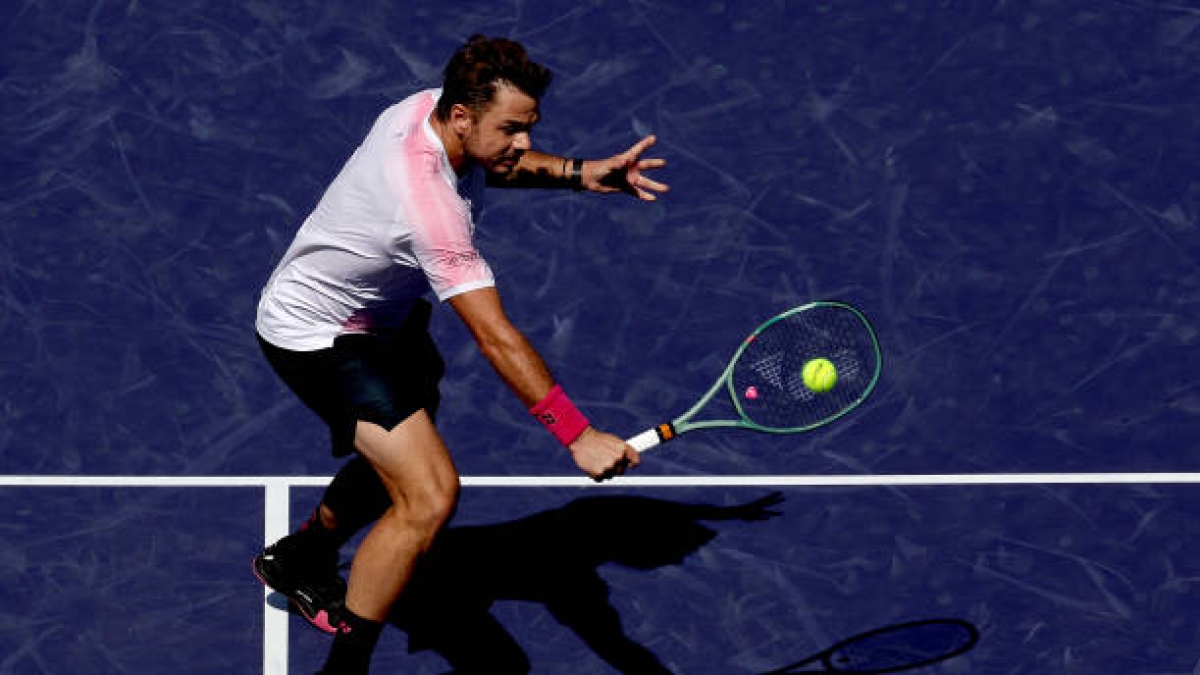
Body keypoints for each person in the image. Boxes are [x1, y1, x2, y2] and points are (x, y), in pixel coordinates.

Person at [251, 35, 668, 674]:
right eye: (512, 129)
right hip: (318, 336)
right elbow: (494, 334)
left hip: (384, 322)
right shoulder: (428, 207)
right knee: (429, 494)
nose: (524, 142)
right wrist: (577, 434)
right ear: (463, 116)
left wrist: (580, 173)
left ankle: (300, 558)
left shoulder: (433, 108)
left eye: (529, 127)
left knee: (397, 458)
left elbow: (494, 161)